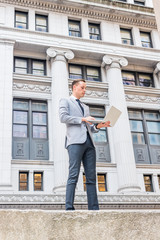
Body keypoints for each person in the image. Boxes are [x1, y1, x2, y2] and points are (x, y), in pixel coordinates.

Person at [59, 79, 110, 210]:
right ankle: (69, 207)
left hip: (89, 143)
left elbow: (90, 128)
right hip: (75, 142)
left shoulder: (85, 107)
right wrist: (82, 119)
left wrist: (99, 125)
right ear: (74, 87)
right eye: (82, 87)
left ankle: (94, 208)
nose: (84, 90)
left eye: (85, 88)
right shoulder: (65, 101)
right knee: (73, 174)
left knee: (91, 177)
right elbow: (63, 118)